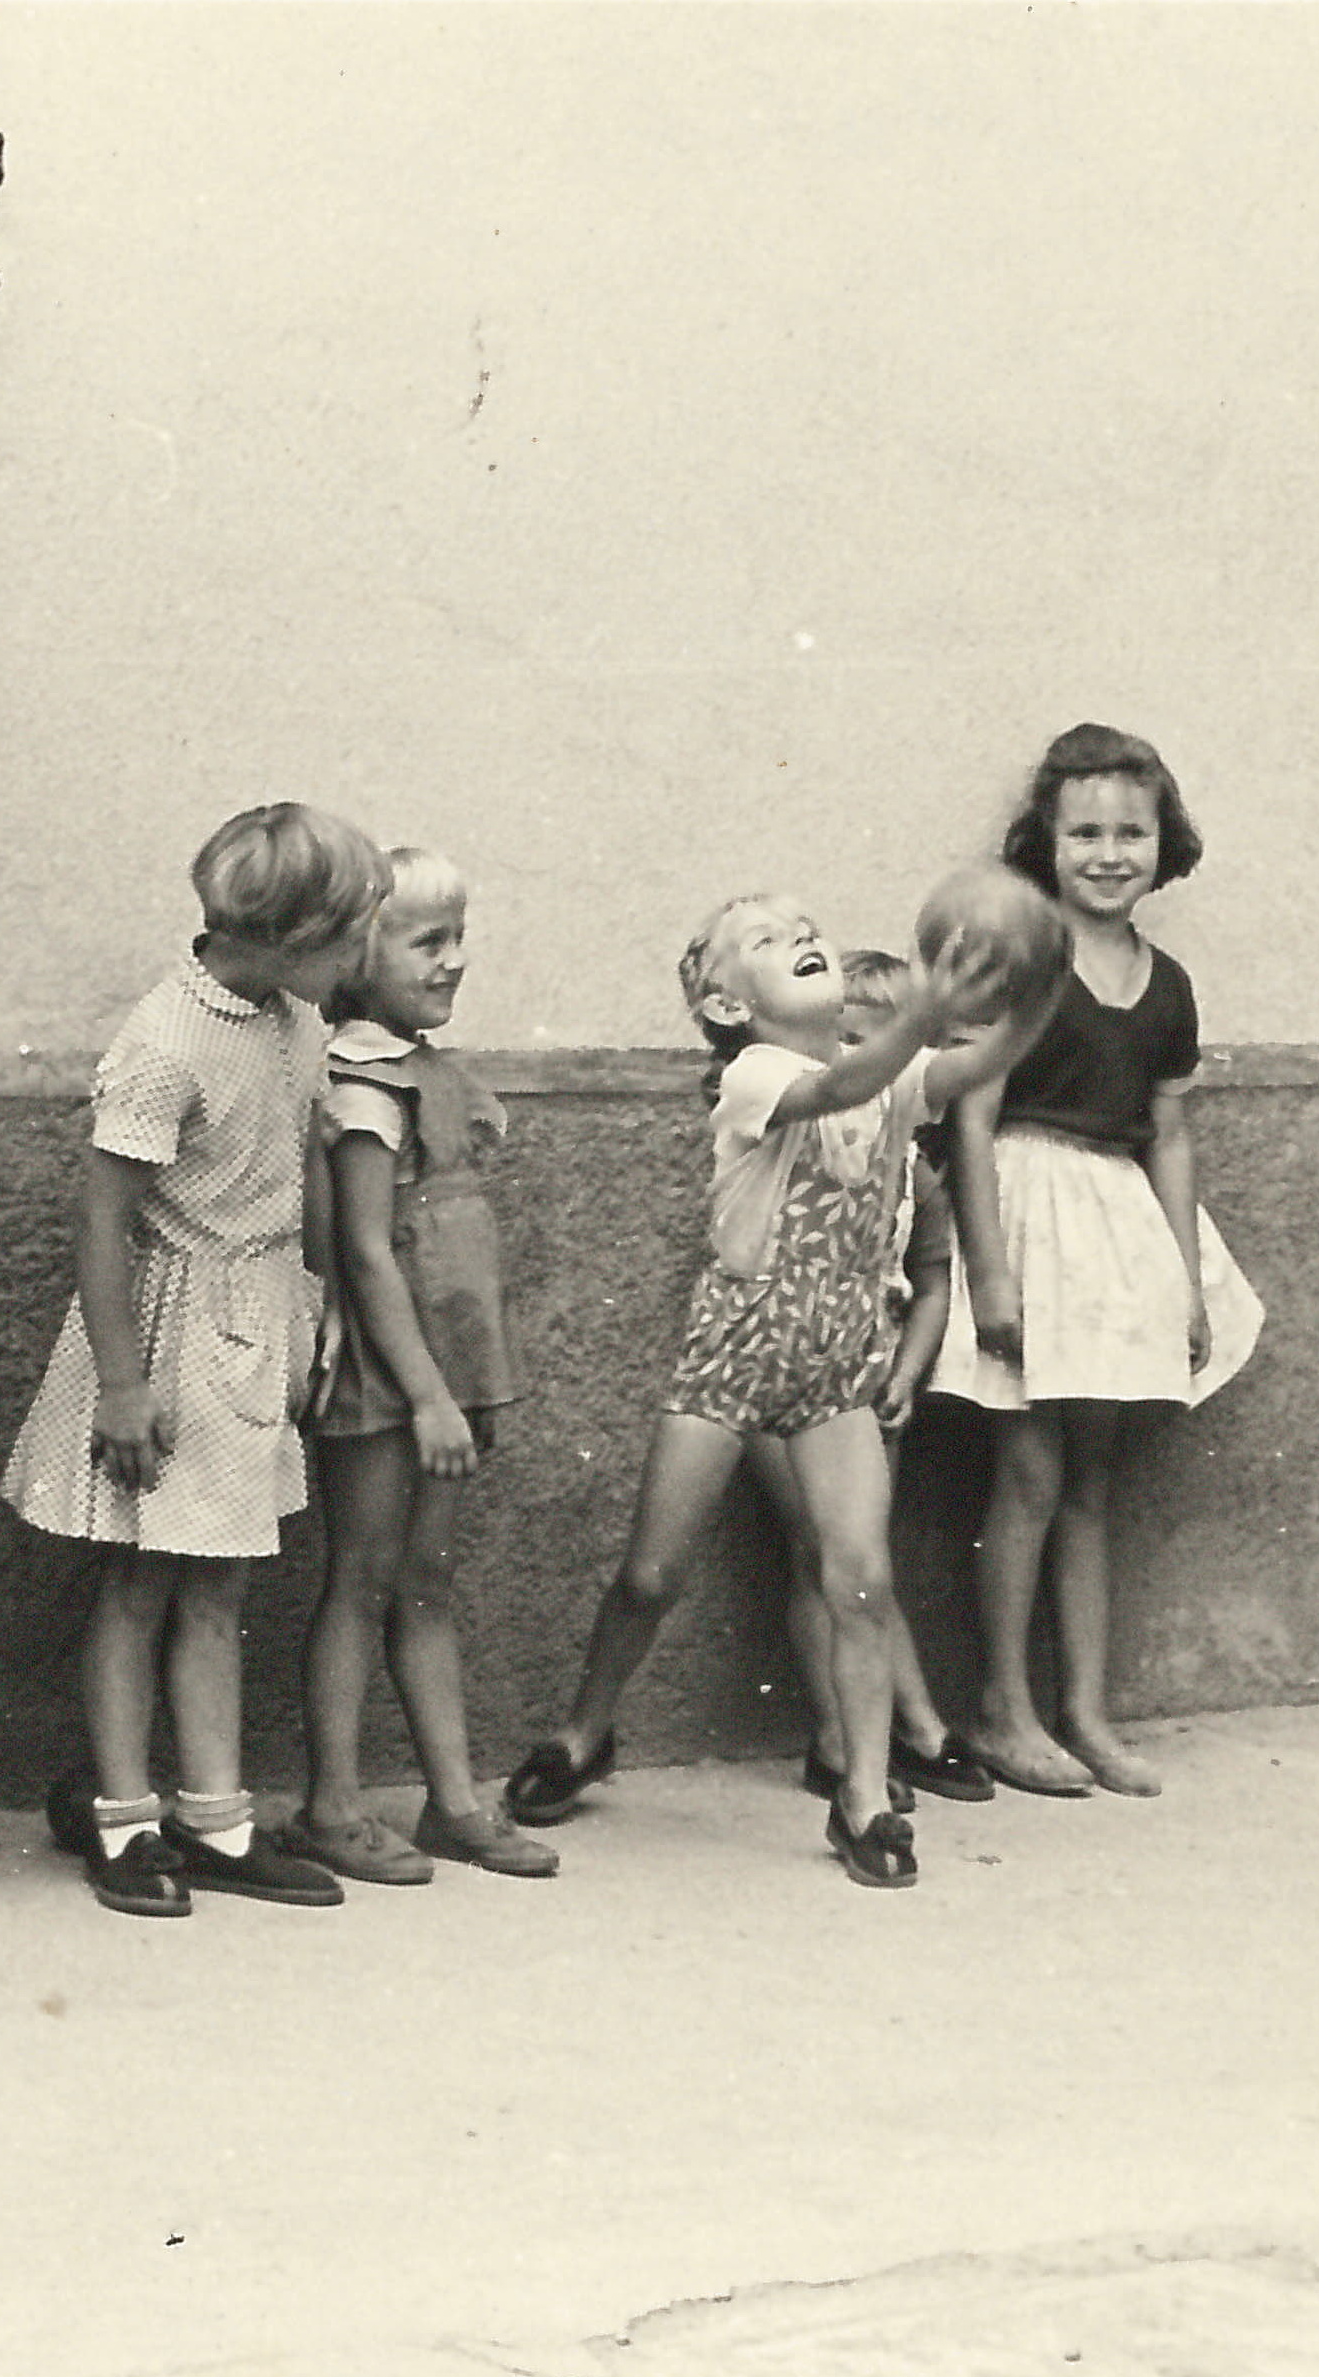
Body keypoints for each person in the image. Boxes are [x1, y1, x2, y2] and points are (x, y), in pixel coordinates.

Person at [502, 894, 1061, 1887]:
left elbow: (970, 1068)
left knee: (862, 1580)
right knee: (650, 1577)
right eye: (766, 940)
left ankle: (864, 1799)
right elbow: (845, 1082)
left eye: (806, 928)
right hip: (735, 1353)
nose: (801, 937)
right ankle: (586, 1730)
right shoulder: (755, 1074)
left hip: (837, 1365)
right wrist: (923, 1017)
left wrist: (1042, 985)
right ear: (728, 1006)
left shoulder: (893, 1075)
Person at [4, 805, 388, 1917]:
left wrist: (317, 1300)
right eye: (347, 936)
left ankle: (217, 1820)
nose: (358, 956)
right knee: (140, 1581)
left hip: (257, 1322)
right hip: (167, 1335)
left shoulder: (294, 1022)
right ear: (288, 937)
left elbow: (302, 1168)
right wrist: (123, 1384)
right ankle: (124, 1820)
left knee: (221, 1580)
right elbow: (102, 1219)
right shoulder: (167, 1044)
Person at [932, 724, 1265, 1799]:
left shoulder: (1167, 986)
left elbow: (1167, 1136)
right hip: (1030, 1217)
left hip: (1117, 1231)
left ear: (1164, 843)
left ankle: (1083, 1710)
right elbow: (970, 1119)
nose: (1109, 854)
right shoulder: (1023, 963)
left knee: (1091, 1479)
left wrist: (1185, 1278)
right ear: (1047, 842)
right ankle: (1002, 1709)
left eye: (1131, 832)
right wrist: (990, 1273)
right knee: (1027, 1471)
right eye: (1085, 833)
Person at [290, 850, 558, 1883]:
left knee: (427, 1580)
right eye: (427, 941)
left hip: (448, 1364)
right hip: (390, 1373)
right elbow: (365, 1253)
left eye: (459, 937)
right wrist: (431, 1398)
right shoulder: (361, 1084)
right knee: (361, 1579)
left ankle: (454, 1802)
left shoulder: (428, 1069)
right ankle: (330, 1805)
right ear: (362, 955)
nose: (453, 960)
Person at [741, 949, 991, 1812]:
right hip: (780, 1363)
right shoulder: (787, 1136)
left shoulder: (915, 1172)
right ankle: (849, 1736)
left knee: (859, 1562)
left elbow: (932, 1280)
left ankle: (888, 1732)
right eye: (843, 1044)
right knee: (820, 1549)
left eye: (879, 1048)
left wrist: (907, 1370)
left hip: (868, 1376)